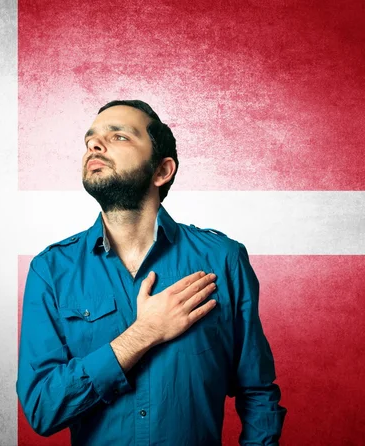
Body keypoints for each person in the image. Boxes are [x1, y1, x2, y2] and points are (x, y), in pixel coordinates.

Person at [16, 100, 287, 445]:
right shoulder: (52, 270)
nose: (94, 146)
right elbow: (42, 409)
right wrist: (144, 333)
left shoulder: (223, 259)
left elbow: (258, 392)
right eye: (90, 140)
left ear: (162, 171)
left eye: (120, 137)